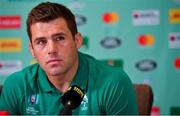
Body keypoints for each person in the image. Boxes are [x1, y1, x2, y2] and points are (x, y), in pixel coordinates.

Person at [0, 2, 138, 115]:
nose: (52, 49)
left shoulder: (113, 82)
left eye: (60, 38)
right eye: (41, 42)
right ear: (32, 49)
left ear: (77, 40)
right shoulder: (17, 85)